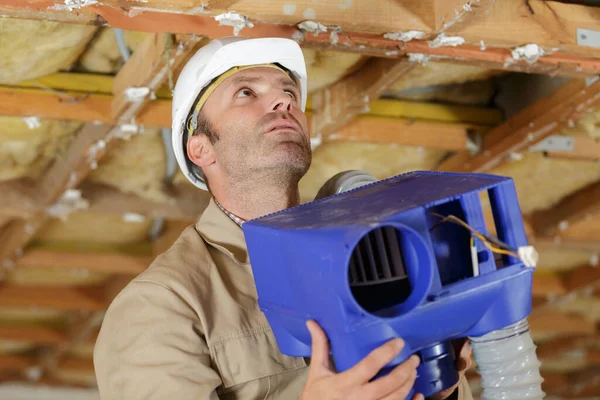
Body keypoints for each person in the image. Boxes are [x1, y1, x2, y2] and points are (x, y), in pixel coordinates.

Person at [93, 37, 473, 400]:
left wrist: (437, 388)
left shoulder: (370, 256)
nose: (282, 100)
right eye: (246, 92)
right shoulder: (161, 304)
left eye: (288, 92)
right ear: (201, 148)